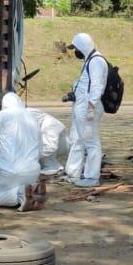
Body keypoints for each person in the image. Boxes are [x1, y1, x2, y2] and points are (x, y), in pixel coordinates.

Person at [0, 92, 44, 210]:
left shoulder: (4, 115)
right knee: (13, 182)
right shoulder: (32, 118)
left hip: (9, 171)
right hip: (33, 172)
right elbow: (40, 150)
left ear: (4, 104)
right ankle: (31, 191)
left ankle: (20, 194)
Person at [65, 32, 107, 188]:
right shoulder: (90, 60)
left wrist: (90, 108)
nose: (75, 51)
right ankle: (73, 172)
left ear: (82, 47)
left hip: (88, 108)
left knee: (91, 143)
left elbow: (97, 86)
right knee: (78, 139)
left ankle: (91, 177)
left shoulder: (96, 61)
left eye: (76, 48)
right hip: (82, 106)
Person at [28, 107, 68, 176]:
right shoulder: (24, 116)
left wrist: (31, 157)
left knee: (43, 145)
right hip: (53, 142)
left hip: (62, 145)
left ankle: (53, 166)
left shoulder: (50, 125)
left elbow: (51, 147)